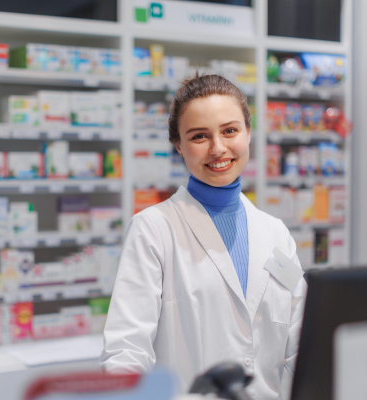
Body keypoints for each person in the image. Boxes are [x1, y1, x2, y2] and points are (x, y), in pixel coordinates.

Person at [100, 74, 307, 399]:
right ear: (179, 146)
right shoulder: (154, 229)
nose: (218, 148)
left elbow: (302, 345)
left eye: (230, 130)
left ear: (248, 133)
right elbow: (127, 351)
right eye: (199, 136)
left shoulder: (276, 234)